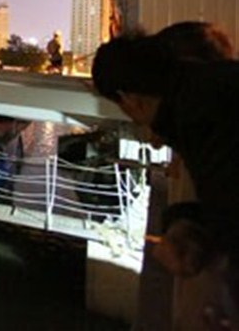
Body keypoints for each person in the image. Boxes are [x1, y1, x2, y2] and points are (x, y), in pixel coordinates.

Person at [92, 27, 239, 327]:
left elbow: (230, 216)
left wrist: (183, 222)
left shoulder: (198, 116)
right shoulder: (209, 88)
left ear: (128, 99)